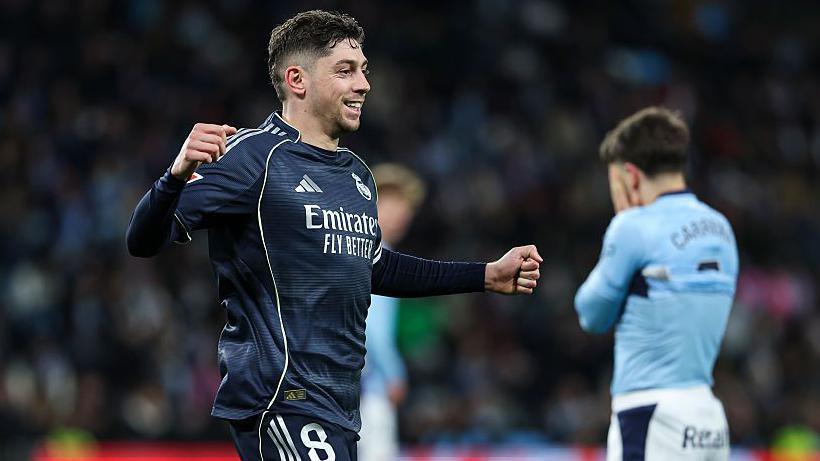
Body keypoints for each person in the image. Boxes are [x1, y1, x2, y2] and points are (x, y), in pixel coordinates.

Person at [125, 10, 542, 461]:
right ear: (297, 80)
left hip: (339, 406)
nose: (363, 84)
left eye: (364, 70)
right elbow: (144, 240)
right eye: (345, 71)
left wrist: (485, 275)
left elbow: (377, 267)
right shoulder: (252, 157)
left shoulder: (358, 177)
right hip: (280, 398)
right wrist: (174, 176)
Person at [574, 107, 738, 461]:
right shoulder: (721, 228)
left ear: (630, 177)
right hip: (707, 417)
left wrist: (623, 226)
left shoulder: (633, 227)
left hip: (650, 412)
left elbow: (590, 314)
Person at [358, 164, 425, 461]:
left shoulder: (351, 248)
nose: (404, 214)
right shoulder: (377, 255)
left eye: (407, 207)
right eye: (395, 203)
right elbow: (372, 329)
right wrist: (394, 373)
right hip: (368, 388)